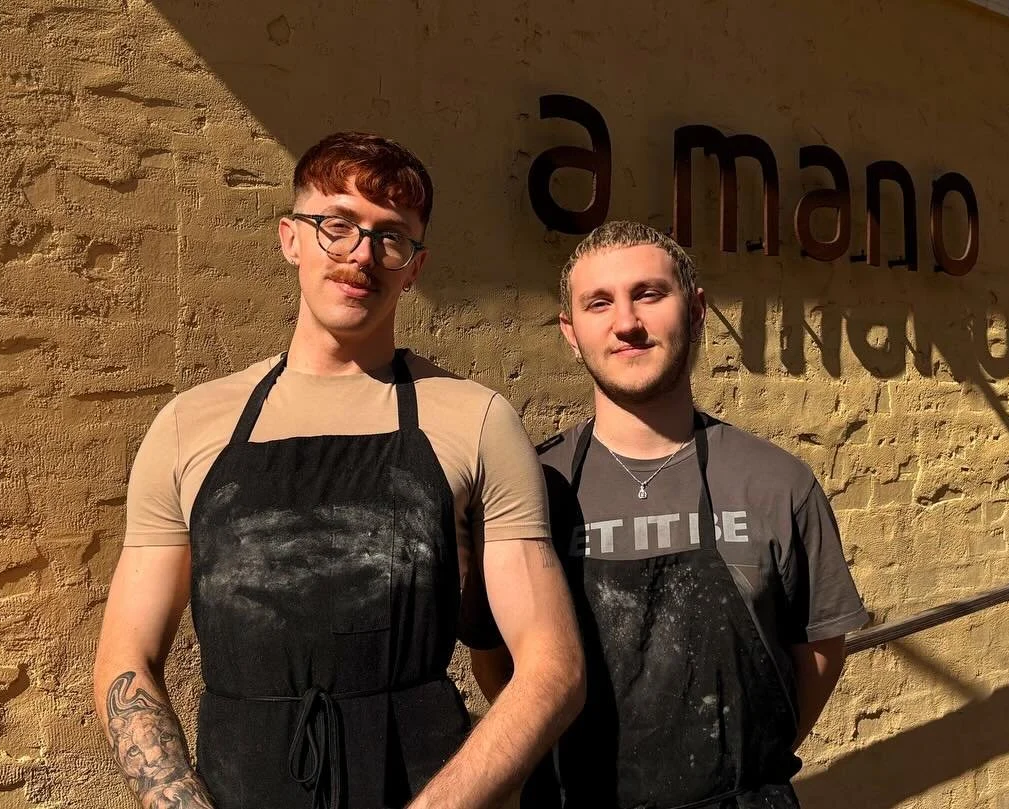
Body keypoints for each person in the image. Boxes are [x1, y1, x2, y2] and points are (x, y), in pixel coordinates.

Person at [93, 131, 584, 809]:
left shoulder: (475, 419)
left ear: (414, 266)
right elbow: (126, 660)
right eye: (337, 225)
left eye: (391, 237)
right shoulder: (189, 426)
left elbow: (552, 667)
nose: (361, 255)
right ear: (290, 238)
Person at [471, 221, 868, 808]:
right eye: (599, 303)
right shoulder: (530, 490)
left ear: (698, 310)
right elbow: (495, 660)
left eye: (649, 294)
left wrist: (737, 772)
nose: (626, 323)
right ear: (571, 333)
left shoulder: (776, 484)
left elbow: (817, 650)